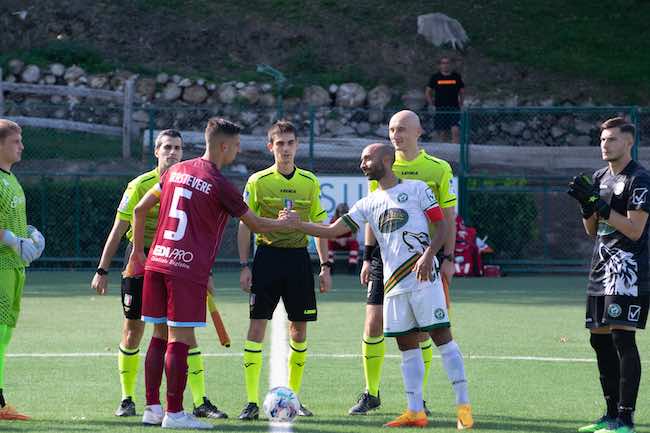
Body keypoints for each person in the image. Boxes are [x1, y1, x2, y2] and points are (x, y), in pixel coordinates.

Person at [127, 117, 296, 430]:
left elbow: (139, 211)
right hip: (185, 268)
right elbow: (256, 224)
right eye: (236, 146)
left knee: (159, 336)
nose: (238, 151)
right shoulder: (220, 184)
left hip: (157, 261)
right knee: (180, 340)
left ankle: (152, 408)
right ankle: (175, 414)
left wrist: (138, 253)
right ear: (224, 146)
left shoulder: (175, 170)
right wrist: (285, 224)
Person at [281, 143, 447, 427]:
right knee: (373, 325)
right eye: (393, 130)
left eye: (366, 158)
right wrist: (368, 257)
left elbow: (444, 223)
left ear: (385, 159)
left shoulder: (423, 182)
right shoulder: (371, 197)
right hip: (385, 264)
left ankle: (422, 401)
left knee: (423, 334)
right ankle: (372, 393)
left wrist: (437, 255)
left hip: (418, 264)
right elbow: (336, 230)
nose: (362, 164)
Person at [91, 129, 227, 420]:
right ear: (156, 152)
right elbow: (119, 228)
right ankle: (128, 398)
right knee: (134, 330)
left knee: (183, 333)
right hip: (141, 258)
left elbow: (198, 231)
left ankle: (200, 400)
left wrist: (207, 271)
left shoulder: (189, 180)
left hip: (178, 262)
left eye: (177, 147)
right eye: (166, 147)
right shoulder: (140, 184)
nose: (172, 152)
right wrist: (103, 269)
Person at [237, 120, 331, 420]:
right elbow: (244, 224)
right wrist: (244, 265)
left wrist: (325, 266)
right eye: (280, 144)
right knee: (256, 326)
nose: (286, 149)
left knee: (299, 330)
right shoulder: (257, 181)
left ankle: (294, 397)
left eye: (290, 143)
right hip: (266, 258)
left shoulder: (310, 181)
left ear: (297, 146)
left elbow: (320, 227)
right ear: (271, 147)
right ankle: (252, 401)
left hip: (298, 260)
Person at [568, 117, 649, 433]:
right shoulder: (599, 177)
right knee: (598, 339)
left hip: (628, 270)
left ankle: (626, 419)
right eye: (603, 139)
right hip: (600, 268)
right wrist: (586, 206)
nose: (606, 144)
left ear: (628, 142)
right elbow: (592, 230)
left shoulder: (640, 179)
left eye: (613, 139)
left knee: (622, 338)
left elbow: (634, 229)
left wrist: (600, 205)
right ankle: (610, 414)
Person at [0, 119, 45, 421]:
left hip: (14, 269)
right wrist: (14, 241)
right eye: (16, 141)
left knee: (3, 337)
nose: (22, 146)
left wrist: (29, 234)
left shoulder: (11, 179)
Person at [425, 56, 464, 144]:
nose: (445, 65)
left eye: (447, 63)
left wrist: (461, 104)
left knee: (455, 130)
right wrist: (431, 104)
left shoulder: (456, 77)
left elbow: (462, 92)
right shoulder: (435, 77)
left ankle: (456, 150)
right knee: (443, 132)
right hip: (440, 108)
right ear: (440, 65)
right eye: (443, 63)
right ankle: (445, 150)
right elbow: (428, 92)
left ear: (451, 65)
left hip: (454, 107)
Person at [327, 203, 360, 274]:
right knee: (329, 243)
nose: (343, 215)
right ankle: (330, 265)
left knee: (355, 243)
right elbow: (330, 236)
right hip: (336, 243)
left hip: (347, 243)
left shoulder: (352, 221)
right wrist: (338, 240)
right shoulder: (333, 221)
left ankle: (352, 265)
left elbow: (354, 237)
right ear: (337, 212)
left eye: (345, 212)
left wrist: (345, 240)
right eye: (341, 212)